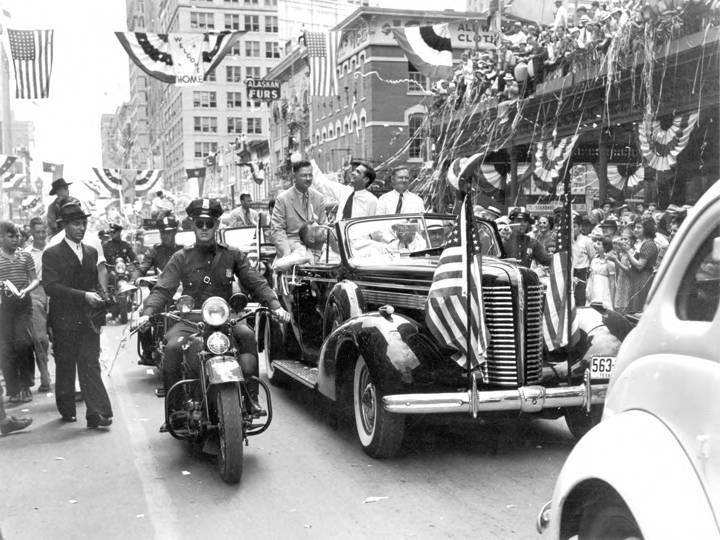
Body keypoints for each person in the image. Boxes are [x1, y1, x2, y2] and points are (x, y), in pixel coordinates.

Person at [136, 198, 291, 427]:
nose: (205, 229)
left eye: (210, 224)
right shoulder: (181, 257)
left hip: (225, 320)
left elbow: (255, 282)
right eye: (200, 224)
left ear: (217, 225)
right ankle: (175, 410)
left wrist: (275, 305)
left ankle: (251, 399)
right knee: (172, 348)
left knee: (247, 336)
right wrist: (147, 313)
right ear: (193, 226)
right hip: (191, 320)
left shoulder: (233, 255)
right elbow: (163, 288)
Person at [42, 202, 114, 428]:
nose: (81, 228)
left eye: (83, 223)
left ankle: (98, 413)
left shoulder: (91, 252)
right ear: (64, 226)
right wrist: (84, 296)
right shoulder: (52, 253)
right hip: (63, 320)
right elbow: (50, 287)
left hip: (88, 319)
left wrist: (104, 298)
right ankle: (67, 409)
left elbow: (94, 281)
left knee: (90, 363)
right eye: (76, 224)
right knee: (66, 364)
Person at [136, 215, 184, 365]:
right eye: (163, 233)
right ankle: (148, 351)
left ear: (175, 232)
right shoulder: (154, 251)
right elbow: (142, 268)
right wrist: (136, 278)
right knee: (143, 313)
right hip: (158, 293)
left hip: (181, 293)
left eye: (169, 232)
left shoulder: (184, 250)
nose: (166, 236)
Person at [0, 221, 39, 403]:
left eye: (17, 236)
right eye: (11, 236)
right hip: (3, 308)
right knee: (6, 348)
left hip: (23, 304)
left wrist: (26, 290)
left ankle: (26, 385)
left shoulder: (25, 256)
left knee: (23, 343)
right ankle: (13, 389)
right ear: (1, 238)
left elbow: (34, 279)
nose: (16, 240)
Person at [271, 160, 327, 258]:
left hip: (316, 246)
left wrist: (325, 245)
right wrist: (286, 253)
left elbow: (324, 225)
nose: (308, 178)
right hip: (292, 244)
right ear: (294, 177)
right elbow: (277, 230)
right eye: (304, 175)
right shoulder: (283, 199)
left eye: (310, 175)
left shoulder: (319, 198)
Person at [23, 217, 52, 392]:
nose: (41, 235)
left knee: (60, 336)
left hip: (56, 292)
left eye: (44, 232)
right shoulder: (26, 253)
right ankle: (45, 376)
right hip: (36, 294)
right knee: (40, 339)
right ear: (32, 233)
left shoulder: (54, 248)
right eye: (38, 232)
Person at [624, 216, 658, 313]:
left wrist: (627, 252)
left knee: (638, 307)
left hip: (643, 279)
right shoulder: (643, 243)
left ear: (646, 229)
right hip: (637, 279)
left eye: (639, 227)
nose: (635, 230)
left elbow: (639, 265)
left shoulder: (648, 244)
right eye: (635, 227)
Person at [572, 213, 596, 307]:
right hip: (571, 272)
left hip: (582, 272)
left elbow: (592, 257)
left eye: (574, 226)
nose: (572, 229)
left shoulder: (586, 241)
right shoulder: (568, 240)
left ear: (580, 227)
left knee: (581, 298)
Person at [587, 235, 616, 309]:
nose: (596, 246)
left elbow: (612, 282)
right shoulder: (594, 260)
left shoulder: (610, 263)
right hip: (593, 288)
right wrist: (588, 290)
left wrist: (612, 300)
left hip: (603, 290)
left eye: (599, 244)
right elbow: (590, 277)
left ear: (605, 247)